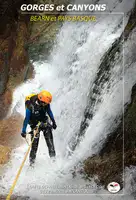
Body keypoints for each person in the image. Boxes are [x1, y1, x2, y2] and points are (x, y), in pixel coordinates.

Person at [21, 90, 57, 165]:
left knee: (50, 144)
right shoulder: (30, 106)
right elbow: (27, 119)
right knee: (34, 147)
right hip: (34, 125)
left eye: (47, 103)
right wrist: (23, 131)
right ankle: (32, 165)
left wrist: (53, 122)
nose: (46, 105)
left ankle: (54, 161)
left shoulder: (45, 103)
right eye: (45, 103)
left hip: (44, 122)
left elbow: (49, 112)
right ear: (41, 101)